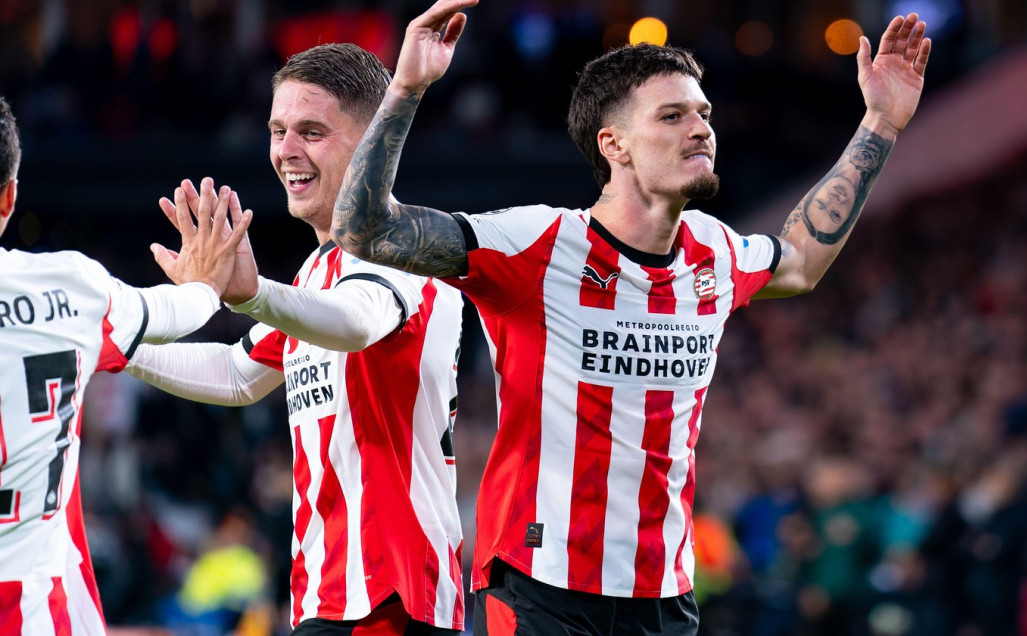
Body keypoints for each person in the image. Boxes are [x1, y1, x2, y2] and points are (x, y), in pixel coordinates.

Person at [329, 0, 931, 633]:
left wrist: (881, 122)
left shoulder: (716, 251)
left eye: (703, 114)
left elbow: (802, 260)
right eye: (672, 116)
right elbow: (364, 229)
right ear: (612, 143)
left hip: (662, 591)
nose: (700, 129)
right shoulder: (537, 243)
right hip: (541, 584)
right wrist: (407, 87)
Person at [124, 43, 466, 635]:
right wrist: (109, 336)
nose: (285, 150)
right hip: (328, 594)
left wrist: (253, 294)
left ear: (371, 143)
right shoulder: (315, 275)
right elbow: (237, 374)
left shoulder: (404, 243)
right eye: (277, 131)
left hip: (392, 593)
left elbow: (357, 323)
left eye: (311, 131)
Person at [0, 95, 249, 635]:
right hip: (38, 614)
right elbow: (179, 311)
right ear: (9, 198)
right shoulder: (69, 289)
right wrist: (207, 284)